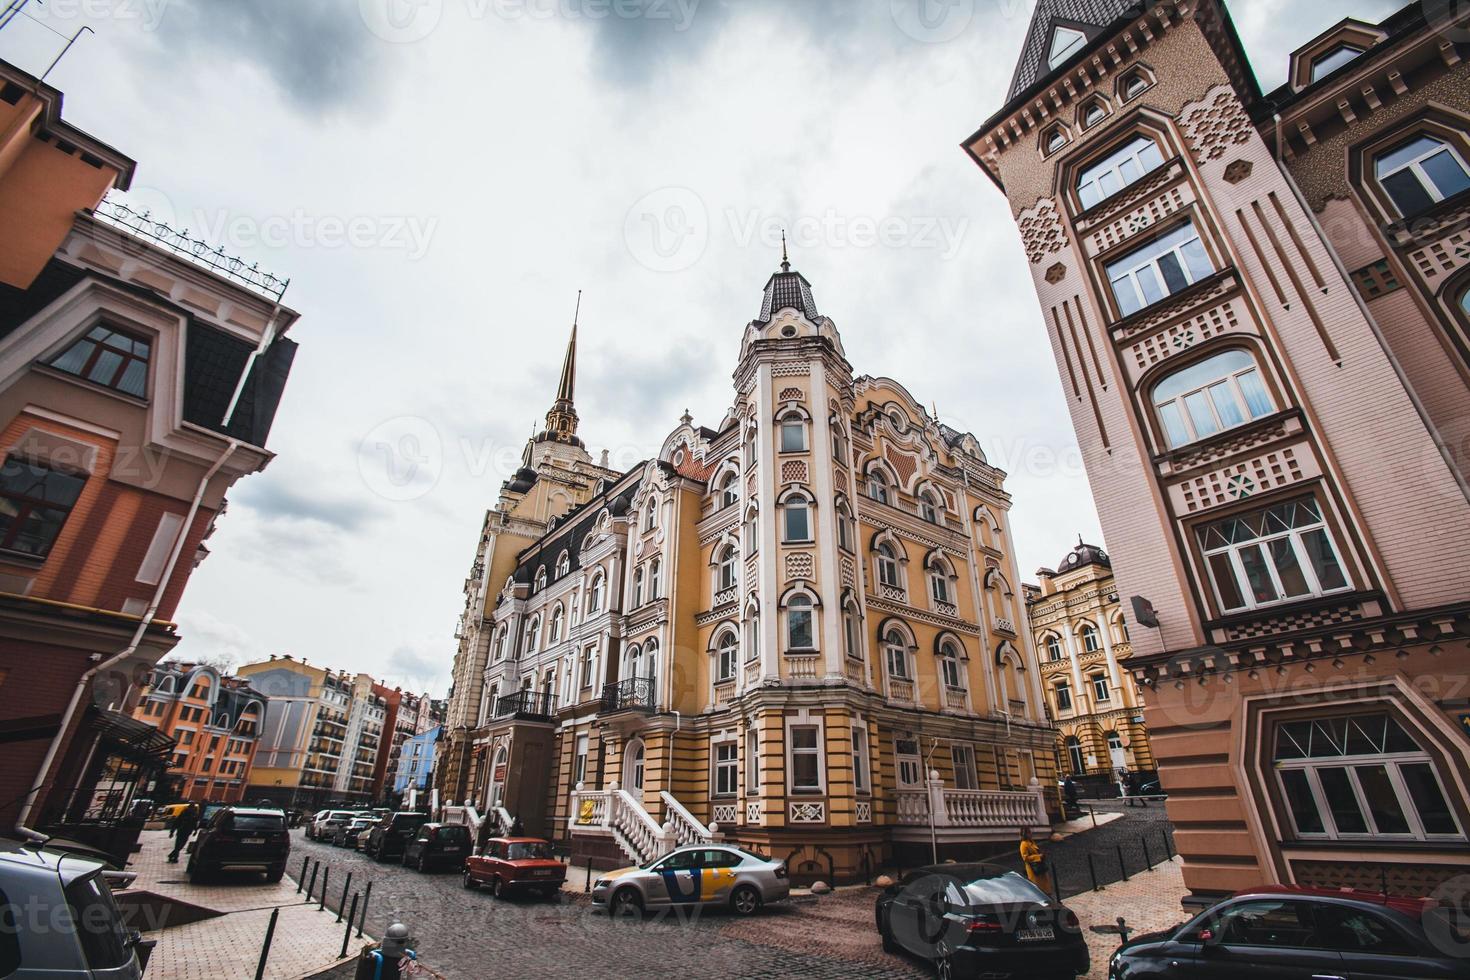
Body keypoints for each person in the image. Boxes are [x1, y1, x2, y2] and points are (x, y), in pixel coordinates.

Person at [1019, 828, 1053, 896]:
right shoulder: (1023, 844)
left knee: (1044, 885)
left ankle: (1047, 895)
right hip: (1033, 868)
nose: (1031, 834)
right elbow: (1025, 858)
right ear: (1025, 834)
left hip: (1039, 866)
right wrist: (1038, 857)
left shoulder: (1031, 841)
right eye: (1029, 833)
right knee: (1039, 887)